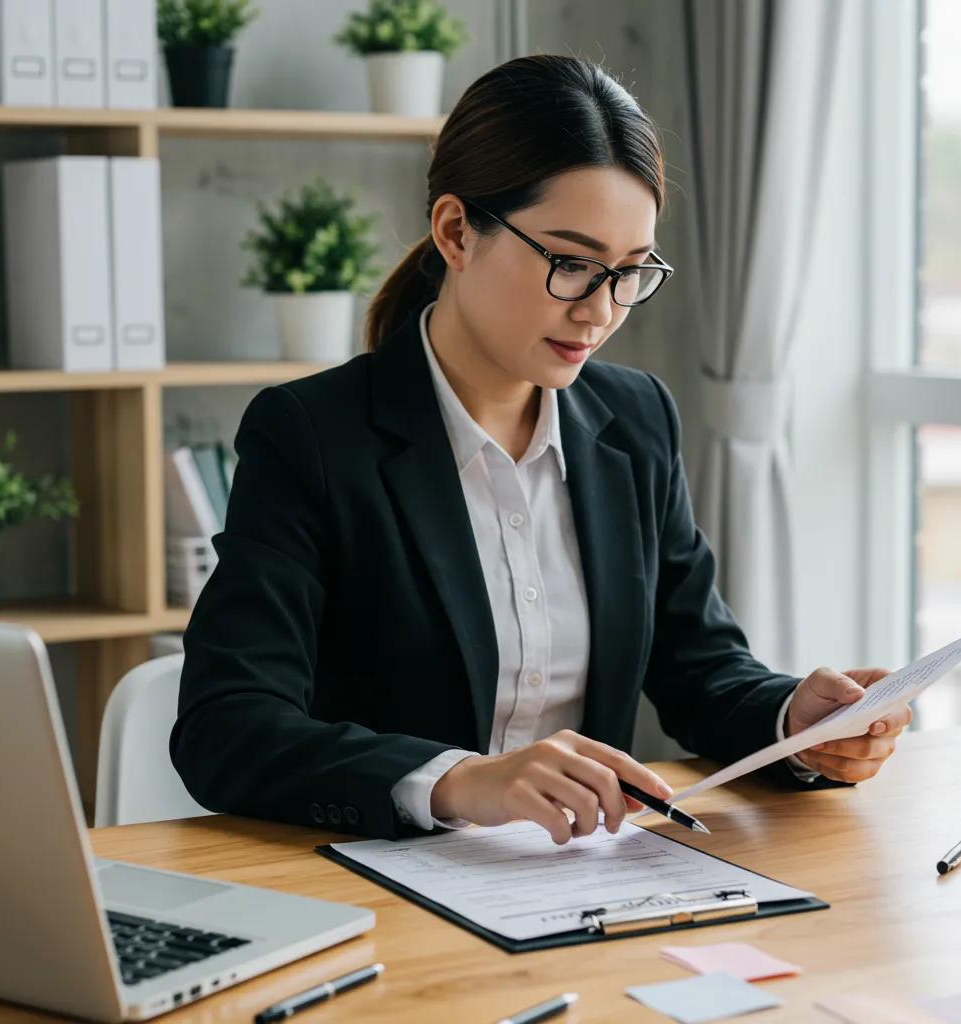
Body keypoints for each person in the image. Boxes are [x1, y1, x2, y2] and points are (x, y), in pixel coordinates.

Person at [170, 54, 910, 845]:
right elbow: (227, 727)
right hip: (381, 877)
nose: (600, 311)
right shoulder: (312, 435)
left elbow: (700, 670)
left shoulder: (635, 422)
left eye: (630, 272)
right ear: (456, 232)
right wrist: (458, 781)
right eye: (572, 264)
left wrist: (795, 720)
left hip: (577, 881)